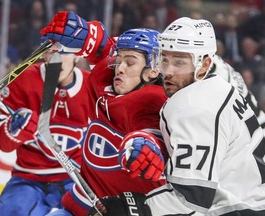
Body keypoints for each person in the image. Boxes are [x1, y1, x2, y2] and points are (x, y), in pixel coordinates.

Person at [98, 17, 265, 216]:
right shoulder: (218, 83)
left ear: (204, 64)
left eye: (179, 62)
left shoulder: (192, 106)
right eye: (164, 59)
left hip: (253, 209)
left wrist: (134, 208)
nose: (168, 71)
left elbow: (192, 198)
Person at [39, 11, 168, 215]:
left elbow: (155, 134)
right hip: (82, 201)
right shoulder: (107, 78)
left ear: (154, 70)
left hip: (129, 208)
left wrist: (150, 144)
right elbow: (104, 50)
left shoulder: (154, 99)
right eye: (119, 60)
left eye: (130, 62)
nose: (120, 68)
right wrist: (89, 37)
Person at [0, 52, 92, 216]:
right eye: (54, 51)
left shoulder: (91, 85)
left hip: (76, 180)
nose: (58, 58)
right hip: (29, 178)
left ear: (78, 56)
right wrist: (12, 129)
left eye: (65, 52)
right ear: (45, 54)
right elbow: (0, 141)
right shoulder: (24, 79)